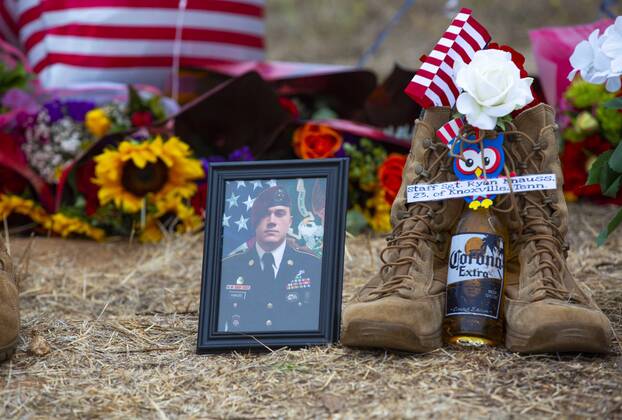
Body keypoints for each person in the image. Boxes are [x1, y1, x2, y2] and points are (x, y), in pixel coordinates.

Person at [219, 186, 322, 333]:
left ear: (290, 221)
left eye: (280, 213)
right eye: (264, 214)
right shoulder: (229, 268)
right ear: (254, 221)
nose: (272, 221)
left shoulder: (313, 266)